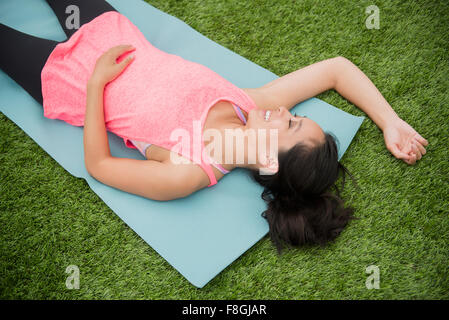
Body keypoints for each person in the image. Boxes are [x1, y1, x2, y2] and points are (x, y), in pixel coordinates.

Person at [0, 0, 428, 253]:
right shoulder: (252, 105)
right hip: (112, 32)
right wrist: (390, 122)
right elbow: (336, 69)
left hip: (68, 80)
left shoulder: (187, 171)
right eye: (295, 113)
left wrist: (96, 84)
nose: (285, 112)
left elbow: (98, 163)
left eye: (292, 123)